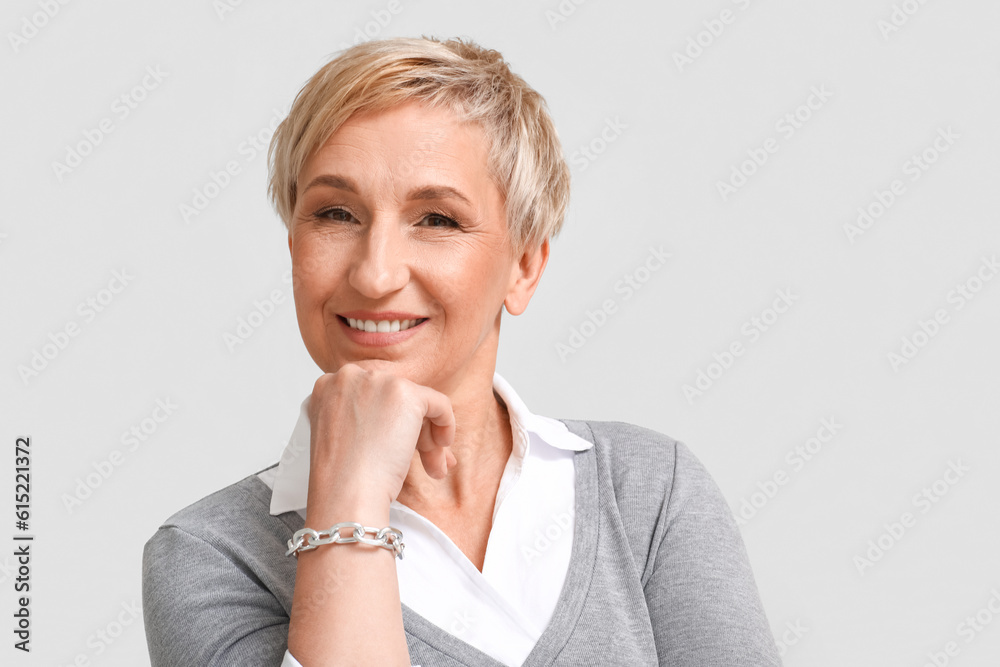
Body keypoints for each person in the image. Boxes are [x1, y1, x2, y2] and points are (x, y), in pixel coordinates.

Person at [141, 36, 782, 666]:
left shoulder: (646, 491)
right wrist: (350, 500)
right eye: (335, 214)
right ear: (293, 248)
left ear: (524, 267)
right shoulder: (211, 555)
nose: (375, 274)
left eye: (437, 219)